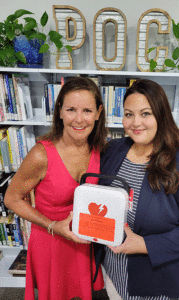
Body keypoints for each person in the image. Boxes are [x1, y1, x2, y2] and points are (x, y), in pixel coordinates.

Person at [94, 79, 179, 300]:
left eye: (145, 113)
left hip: (159, 280)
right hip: (113, 272)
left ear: (161, 115)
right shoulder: (113, 149)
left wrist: (143, 244)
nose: (135, 122)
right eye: (128, 114)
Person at [4, 77, 107, 300]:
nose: (79, 119)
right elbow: (11, 199)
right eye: (71, 109)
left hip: (84, 245)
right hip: (51, 242)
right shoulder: (41, 154)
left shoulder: (100, 150)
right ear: (59, 112)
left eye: (87, 110)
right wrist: (53, 225)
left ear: (98, 113)